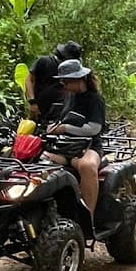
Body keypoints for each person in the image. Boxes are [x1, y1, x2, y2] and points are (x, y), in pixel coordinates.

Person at [44, 57, 107, 217]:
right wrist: (54, 127)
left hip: (89, 146)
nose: (64, 86)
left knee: (87, 166)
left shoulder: (95, 99)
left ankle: (88, 216)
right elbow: (64, 118)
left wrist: (65, 128)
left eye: (67, 82)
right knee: (38, 160)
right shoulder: (70, 97)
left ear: (79, 79)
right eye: (63, 82)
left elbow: (94, 128)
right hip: (65, 147)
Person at [26, 41, 82, 122]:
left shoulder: (71, 71)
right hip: (39, 109)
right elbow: (29, 80)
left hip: (59, 112)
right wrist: (32, 102)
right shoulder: (44, 61)